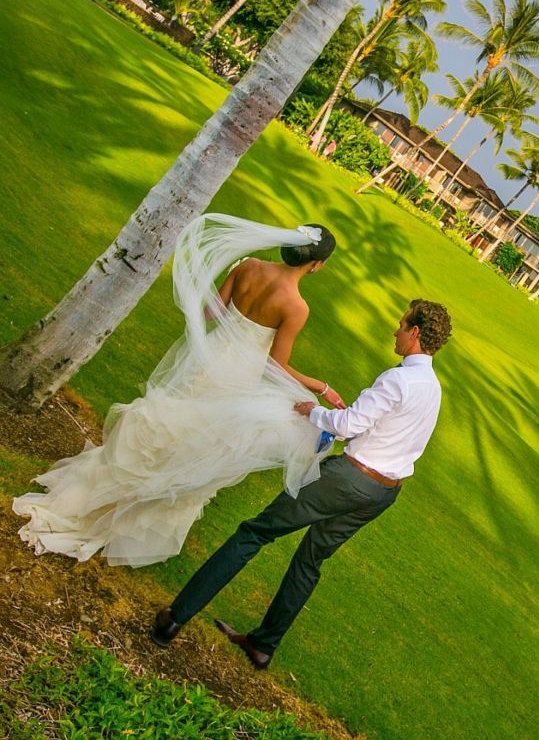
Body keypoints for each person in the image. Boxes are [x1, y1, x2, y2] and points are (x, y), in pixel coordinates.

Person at [12, 213, 344, 567]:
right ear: (317, 265)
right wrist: (320, 386)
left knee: (166, 423)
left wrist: (234, 324)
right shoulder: (295, 306)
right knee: (192, 444)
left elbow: (209, 313)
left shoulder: (248, 266)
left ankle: (106, 494)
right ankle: (133, 514)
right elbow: (275, 365)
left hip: (204, 359)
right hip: (236, 377)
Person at [150, 299, 451, 670]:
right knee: (310, 561)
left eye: (401, 325)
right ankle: (263, 645)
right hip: (383, 492)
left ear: (415, 332)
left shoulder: (399, 378)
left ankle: (174, 619)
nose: (395, 331)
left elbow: (348, 426)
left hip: (349, 480)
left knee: (255, 532)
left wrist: (314, 412)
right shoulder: (432, 386)